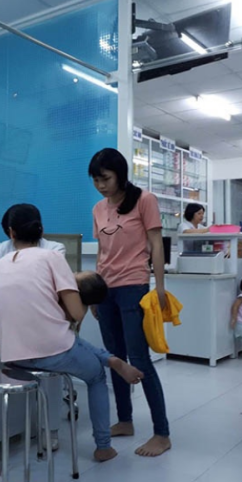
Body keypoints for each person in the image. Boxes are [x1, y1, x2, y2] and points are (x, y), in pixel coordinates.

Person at [0, 203, 144, 462]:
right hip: (51, 352)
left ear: (11, 233)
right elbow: (75, 313)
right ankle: (103, 446)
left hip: (12, 355)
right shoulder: (52, 256)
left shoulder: (0, 264)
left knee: (69, 341)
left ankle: (111, 359)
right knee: (95, 376)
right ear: (41, 230)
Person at [89, 147, 172, 457]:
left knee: (139, 359)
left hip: (133, 286)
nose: (101, 185)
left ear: (120, 175)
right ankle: (125, 420)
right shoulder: (98, 208)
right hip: (106, 289)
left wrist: (159, 286)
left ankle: (162, 433)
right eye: (96, 180)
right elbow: (102, 252)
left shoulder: (144, 200)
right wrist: (95, 292)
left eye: (106, 179)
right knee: (115, 358)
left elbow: (156, 245)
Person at [0, 204, 66, 450]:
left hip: (45, 323)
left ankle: (50, 429)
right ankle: (17, 426)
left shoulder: (55, 249)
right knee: (14, 372)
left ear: (13, 231)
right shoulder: (6, 248)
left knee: (50, 375)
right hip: (16, 322)